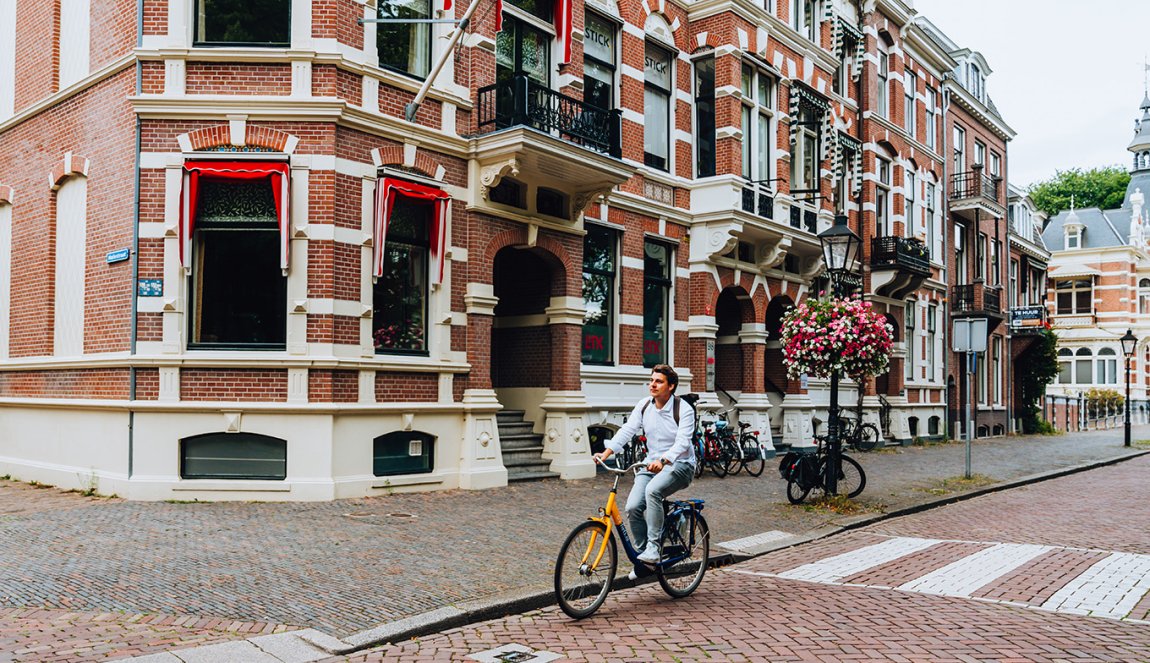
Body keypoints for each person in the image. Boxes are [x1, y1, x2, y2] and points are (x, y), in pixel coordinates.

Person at [592, 364, 696, 571]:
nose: (652, 385)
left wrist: (664, 460)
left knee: (653, 492)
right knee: (632, 507)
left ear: (671, 386)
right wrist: (606, 453)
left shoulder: (683, 408)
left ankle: (653, 548)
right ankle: (644, 559)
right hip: (651, 464)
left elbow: (683, 442)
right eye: (651, 380)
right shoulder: (644, 405)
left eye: (659, 381)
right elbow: (627, 430)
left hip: (680, 465)